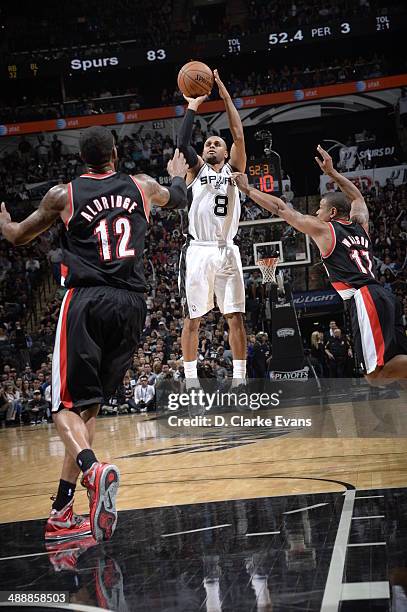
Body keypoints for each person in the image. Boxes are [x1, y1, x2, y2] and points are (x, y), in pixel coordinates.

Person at [0, 125, 188, 543]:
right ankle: (63, 509)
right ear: (116, 154)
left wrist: (3, 221)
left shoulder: (62, 195)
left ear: (82, 159)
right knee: (88, 408)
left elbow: (17, 236)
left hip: (86, 299)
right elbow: (179, 198)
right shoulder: (141, 186)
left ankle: (92, 468)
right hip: (133, 305)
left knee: (61, 407)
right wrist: (175, 173)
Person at [232, 144, 407, 384]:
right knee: (397, 364)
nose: (315, 211)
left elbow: (282, 209)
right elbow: (357, 197)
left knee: (374, 376)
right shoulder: (360, 224)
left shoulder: (324, 229)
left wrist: (248, 189)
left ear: (332, 212)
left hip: (365, 297)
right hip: (384, 296)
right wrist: (333, 173)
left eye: (320, 208)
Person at [177, 69, 247, 385]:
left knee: (235, 317)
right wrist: (193, 105)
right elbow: (181, 141)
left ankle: (240, 380)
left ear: (225, 151)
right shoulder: (195, 170)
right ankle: (191, 382)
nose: (211, 146)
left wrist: (225, 95)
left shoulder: (234, 169)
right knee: (193, 319)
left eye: (217, 143)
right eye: (207, 143)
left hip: (228, 249)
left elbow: (238, 132)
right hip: (199, 250)